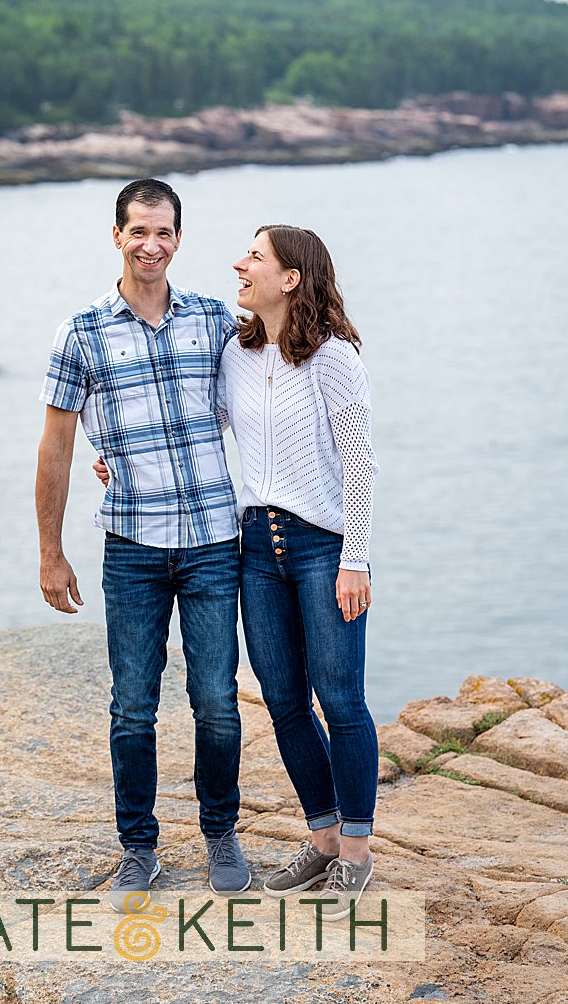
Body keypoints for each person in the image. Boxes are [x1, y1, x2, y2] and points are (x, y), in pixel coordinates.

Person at [36, 177, 250, 911]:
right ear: (117, 236)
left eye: (164, 232)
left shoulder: (217, 321)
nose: (151, 245)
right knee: (132, 705)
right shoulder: (82, 332)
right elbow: (56, 448)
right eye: (138, 231)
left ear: (179, 237)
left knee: (217, 702)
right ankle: (140, 846)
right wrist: (50, 550)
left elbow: (270, 397)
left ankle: (221, 831)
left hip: (216, 541)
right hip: (130, 545)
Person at [224, 224, 380, 922]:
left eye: (255, 256)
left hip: (322, 546)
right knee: (284, 699)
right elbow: (199, 428)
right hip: (254, 546)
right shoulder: (236, 351)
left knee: (339, 699)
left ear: (289, 277)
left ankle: (355, 851)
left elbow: (361, 464)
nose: (241, 263)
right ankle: (320, 836)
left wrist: (355, 557)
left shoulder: (332, 358)